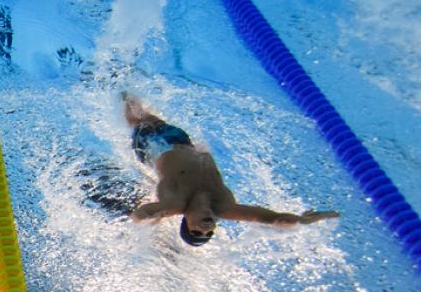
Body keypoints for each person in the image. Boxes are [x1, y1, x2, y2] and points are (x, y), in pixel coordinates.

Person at [123, 91, 339, 245]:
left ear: (186, 222)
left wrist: (150, 217)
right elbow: (272, 219)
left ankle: (118, 83)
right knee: (144, 113)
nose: (206, 229)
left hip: (153, 146)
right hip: (183, 143)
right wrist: (307, 219)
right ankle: (125, 86)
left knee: (137, 117)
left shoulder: (176, 203)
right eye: (209, 233)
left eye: (197, 231)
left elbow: (139, 215)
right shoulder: (224, 206)